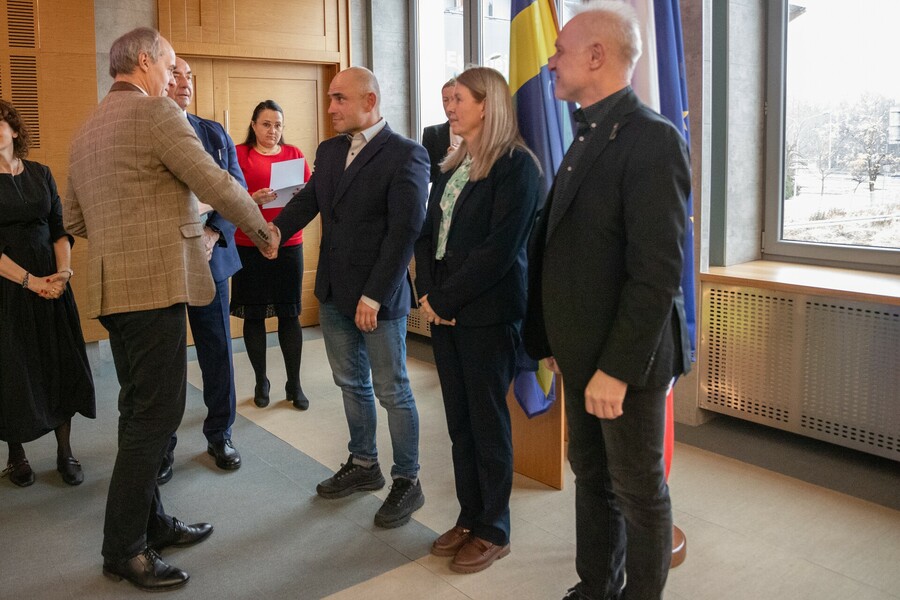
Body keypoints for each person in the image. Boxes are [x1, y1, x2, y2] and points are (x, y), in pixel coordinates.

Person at [64, 27, 278, 592]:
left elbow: (74, 220)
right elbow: (214, 179)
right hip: (153, 288)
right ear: (144, 60)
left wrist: (131, 227)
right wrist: (260, 228)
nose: (173, 77)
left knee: (138, 411)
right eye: (170, 65)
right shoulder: (157, 113)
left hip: (112, 291)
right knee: (155, 418)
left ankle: (151, 522)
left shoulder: (86, 130)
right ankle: (123, 549)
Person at [523, 3, 692, 599]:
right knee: (592, 476)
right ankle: (595, 586)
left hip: (627, 360)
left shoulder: (651, 138)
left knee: (638, 491)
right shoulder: (588, 132)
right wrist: (552, 340)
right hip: (582, 351)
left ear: (597, 56)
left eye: (561, 50)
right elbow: (570, 250)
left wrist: (616, 370)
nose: (550, 61)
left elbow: (656, 274)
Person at [273, 66, 429, 529]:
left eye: (340, 98)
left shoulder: (406, 154)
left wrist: (374, 295)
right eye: (330, 98)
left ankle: (408, 480)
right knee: (350, 383)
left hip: (377, 297)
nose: (331, 108)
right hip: (334, 292)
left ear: (370, 101)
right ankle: (364, 464)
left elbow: (404, 233)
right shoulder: (329, 150)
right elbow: (308, 201)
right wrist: (274, 232)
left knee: (392, 389)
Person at [414, 67, 541, 573]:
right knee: (460, 423)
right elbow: (427, 234)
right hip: (444, 311)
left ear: (488, 104)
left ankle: (494, 529)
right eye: (446, 98)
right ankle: (469, 517)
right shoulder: (452, 163)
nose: (449, 107)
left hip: (487, 314)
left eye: (458, 99)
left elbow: (499, 251)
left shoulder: (517, 166)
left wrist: (445, 300)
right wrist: (428, 293)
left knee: (488, 425)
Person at [156, 56, 246, 485]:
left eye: (189, 76)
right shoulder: (151, 130)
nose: (184, 82)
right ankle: (163, 445)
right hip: (166, 260)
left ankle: (220, 434)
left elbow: (236, 188)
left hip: (212, 259)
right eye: (175, 73)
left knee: (217, 349)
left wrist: (213, 231)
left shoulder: (213, 132)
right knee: (167, 357)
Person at [0, 99, 96, 488]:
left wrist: (63, 273)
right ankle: (16, 455)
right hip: (8, 289)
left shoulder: (40, 173)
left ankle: (65, 451)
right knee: (13, 370)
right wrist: (31, 282)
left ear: (14, 130)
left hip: (53, 285)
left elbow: (60, 228)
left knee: (60, 364)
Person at [231, 99, 312, 411]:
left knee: (289, 314)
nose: (272, 131)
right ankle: (260, 381)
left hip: (288, 245)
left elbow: (308, 197)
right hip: (249, 245)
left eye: (278, 125)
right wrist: (252, 199)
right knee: (254, 315)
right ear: (253, 125)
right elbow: (227, 197)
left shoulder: (293, 154)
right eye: (266, 124)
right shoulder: (240, 154)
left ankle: (294, 383)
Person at [421, 77, 456, 183]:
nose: (449, 106)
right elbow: (427, 175)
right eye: (445, 100)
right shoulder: (431, 134)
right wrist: (448, 160)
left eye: (455, 99)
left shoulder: (480, 134)